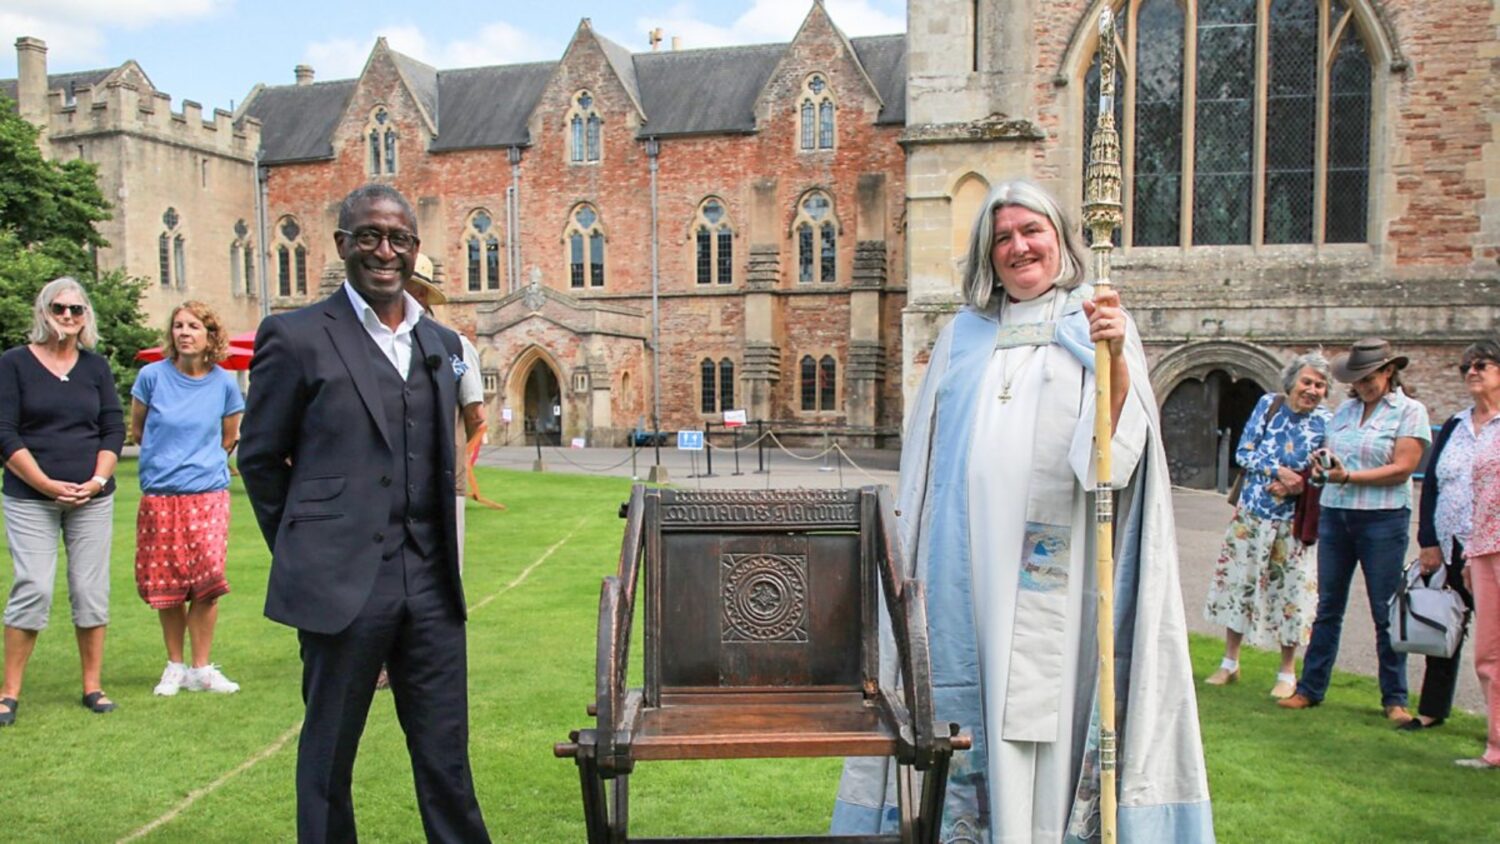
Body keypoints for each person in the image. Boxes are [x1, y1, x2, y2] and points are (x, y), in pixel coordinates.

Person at [831, 180, 1213, 841]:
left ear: (1060, 240)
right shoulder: (960, 337)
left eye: (1032, 231)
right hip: (966, 569)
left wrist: (1116, 363)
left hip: (1057, 571)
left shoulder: (1098, 322)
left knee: (1046, 707)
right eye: (1003, 236)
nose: (1019, 247)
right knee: (967, 691)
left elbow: (1111, 462)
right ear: (988, 253)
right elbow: (926, 467)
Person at [239, 184, 491, 841]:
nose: (384, 251)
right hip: (342, 581)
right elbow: (260, 461)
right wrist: (307, 554)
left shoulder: (440, 341)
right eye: (370, 236)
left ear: (414, 248)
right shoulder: (296, 337)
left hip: (430, 582)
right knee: (329, 756)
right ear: (342, 244)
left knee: (446, 756)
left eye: (398, 239)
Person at [1280, 338, 1430, 723]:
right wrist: (1323, 466)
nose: (1362, 386)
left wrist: (1349, 477)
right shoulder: (1345, 411)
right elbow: (1333, 458)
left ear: (1388, 372)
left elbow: (1402, 468)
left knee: (1384, 609)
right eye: (1357, 380)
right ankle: (1310, 688)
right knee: (1328, 607)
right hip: (1336, 513)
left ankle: (1394, 698)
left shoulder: (1410, 412)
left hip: (1383, 518)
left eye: (1368, 378)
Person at [0, 277, 125, 725]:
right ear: (43, 312)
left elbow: (113, 427)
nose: (68, 316)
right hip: (30, 496)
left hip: (92, 497)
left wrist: (97, 480)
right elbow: (4, 432)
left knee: (90, 591)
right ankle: (8, 692)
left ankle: (93, 686)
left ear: (86, 315)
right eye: (59, 308)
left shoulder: (95, 367)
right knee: (33, 586)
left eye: (76, 309)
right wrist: (46, 484)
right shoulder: (14, 363)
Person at [130, 301, 244, 696]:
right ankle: (175, 666)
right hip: (162, 494)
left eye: (194, 326)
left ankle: (202, 668)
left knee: (207, 580)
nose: (184, 333)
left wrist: (200, 464)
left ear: (210, 335)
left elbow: (228, 437)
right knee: (168, 583)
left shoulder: (224, 384)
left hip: (208, 494)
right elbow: (138, 430)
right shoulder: (151, 377)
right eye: (178, 326)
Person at [1204, 353, 1332, 698]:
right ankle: (1229, 662)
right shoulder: (1268, 406)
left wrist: (1298, 485)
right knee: (1240, 584)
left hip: (1293, 522)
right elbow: (1244, 452)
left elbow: (1326, 471)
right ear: (1292, 382)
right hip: (1253, 515)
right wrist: (1278, 472)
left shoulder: (1326, 422)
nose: (1312, 390)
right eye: (1307, 382)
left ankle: (1287, 672)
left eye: (1320, 385)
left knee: (1292, 593)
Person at [1441, 339, 1500, 767]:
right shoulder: (1465, 424)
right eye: (1467, 367)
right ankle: (1496, 747)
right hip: (1482, 548)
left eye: (1482, 364)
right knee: (1488, 655)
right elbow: (1479, 495)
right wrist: (1469, 556)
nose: (1472, 371)